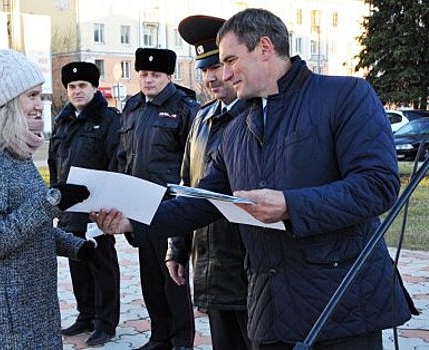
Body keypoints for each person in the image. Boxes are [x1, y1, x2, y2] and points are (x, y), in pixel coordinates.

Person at [94, 8, 418, 350]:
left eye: (231, 59)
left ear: (264, 47)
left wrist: (290, 206)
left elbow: (378, 186)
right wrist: (133, 221)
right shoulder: (236, 130)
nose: (227, 73)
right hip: (269, 309)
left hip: (342, 307)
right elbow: (205, 202)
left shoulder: (345, 95)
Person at [0, 31, 94, 349]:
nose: (39, 105)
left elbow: (29, 227)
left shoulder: (16, 154)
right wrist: (50, 202)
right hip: (1, 320)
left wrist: (77, 247)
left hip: (31, 309)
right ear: (7, 102)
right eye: (31, 96)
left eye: (40, 95)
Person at [165, 15, 250, 350]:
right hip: (211, 264)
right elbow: (187, 185)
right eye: (204, 69)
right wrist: (177, 248)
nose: (211, 77)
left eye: (217, 65)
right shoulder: (201, 117)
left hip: (248, 265)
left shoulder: (256, 114)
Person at [118, 47, 200, 350]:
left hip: (170, 206)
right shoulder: (133, 107)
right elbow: (122, 155)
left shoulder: (185, 107)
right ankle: (159, 336)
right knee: (150, 277)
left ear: (169, 76)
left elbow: (193, 161)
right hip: (139, 205)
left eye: (155, 74)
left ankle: (181, 340)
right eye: (143, 74)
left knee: (173, 277)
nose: (148, 80)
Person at [48, 61, 121, 346]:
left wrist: (109, 203)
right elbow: (55, 163)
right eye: (72, 87)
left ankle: (106, 322)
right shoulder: (63, 120)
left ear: (94, 87)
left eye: (82, 86)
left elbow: (116, 161)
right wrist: (54, 202)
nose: (77, 91)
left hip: (97, 209)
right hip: (68, 208)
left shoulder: (108, 118)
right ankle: (86, 315)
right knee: (77, 263)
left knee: (102, 264)